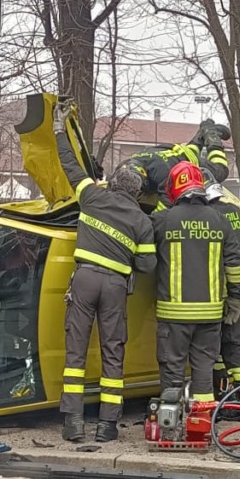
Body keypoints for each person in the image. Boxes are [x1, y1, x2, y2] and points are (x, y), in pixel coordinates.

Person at [54, 110, 156, 443]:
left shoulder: (92, 196)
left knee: (76, 352)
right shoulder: (143, 222)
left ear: (110, 184)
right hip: (115, 285)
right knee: (113, 352)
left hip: (83, 281)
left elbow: (71, 167)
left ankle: (73, 422)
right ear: (137, 194)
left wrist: (59, 130)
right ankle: (107, 425)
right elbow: (147, 266)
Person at [152, 162, 240, 412]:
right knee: (204, 368)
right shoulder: (220, 220)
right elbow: (235, 266)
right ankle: (201, 424)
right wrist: (235, 299)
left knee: (172, 368)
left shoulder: (162, 220)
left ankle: (171, 423)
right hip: (210, 314)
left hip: (174, 315)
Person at [205, 183, 240, 389]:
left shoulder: (211, 216)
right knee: (226, 343)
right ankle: (229, 392)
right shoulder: (233, 210)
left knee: (229, 343)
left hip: (229, 290)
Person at [121, 118, 230, 209]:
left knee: (221, 170)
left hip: (182, 160)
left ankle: (213, 137)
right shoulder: (122, 169)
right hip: (167, 151)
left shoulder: (162, 175)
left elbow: (166, 206)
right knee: (188, 151)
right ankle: (202, 132)